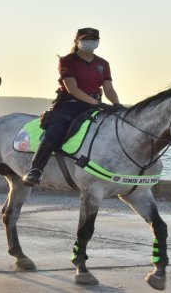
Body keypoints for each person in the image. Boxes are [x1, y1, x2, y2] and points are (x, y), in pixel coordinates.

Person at [22, 27, 124, 186]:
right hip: (70, 104)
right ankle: (35, 170)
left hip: (96, 104)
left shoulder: (103, 64)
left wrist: (117, 105)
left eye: (93, 39)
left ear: (98, 41)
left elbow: (109, 89)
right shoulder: (67, 61)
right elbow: (72, 89)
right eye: (85, 39)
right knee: (54, 133)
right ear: (77, 41)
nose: (90, 42)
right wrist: (98, 104)